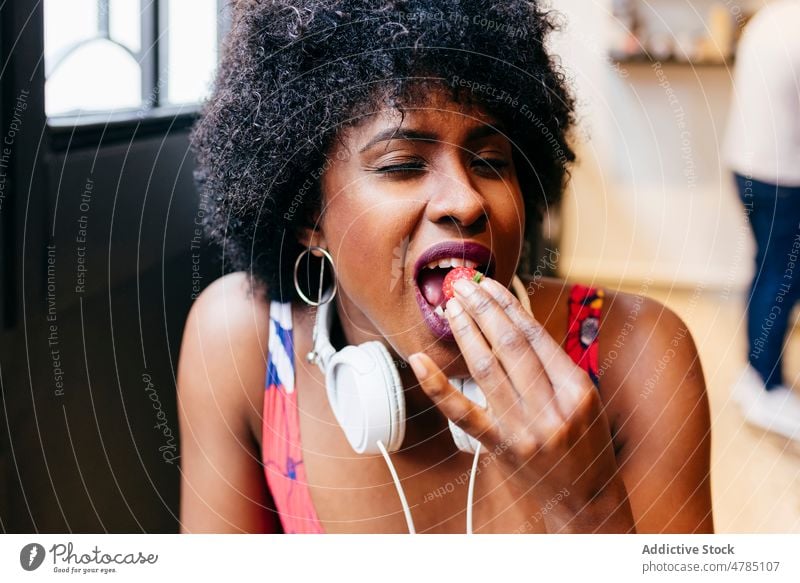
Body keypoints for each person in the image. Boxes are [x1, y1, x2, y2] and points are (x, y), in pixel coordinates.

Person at [178, 0, 712, 534]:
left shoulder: (641, 355)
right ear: (309, 216)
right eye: (403, 165)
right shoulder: (236, 346)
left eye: (489, 162)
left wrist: (589, 508)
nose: (467, 201)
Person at [725, 0, 800, 442]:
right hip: (781, 176)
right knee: (781, 277)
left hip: (749, 166)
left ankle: (755, 372)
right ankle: (764, 385)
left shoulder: (772, 18)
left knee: (770, 269)